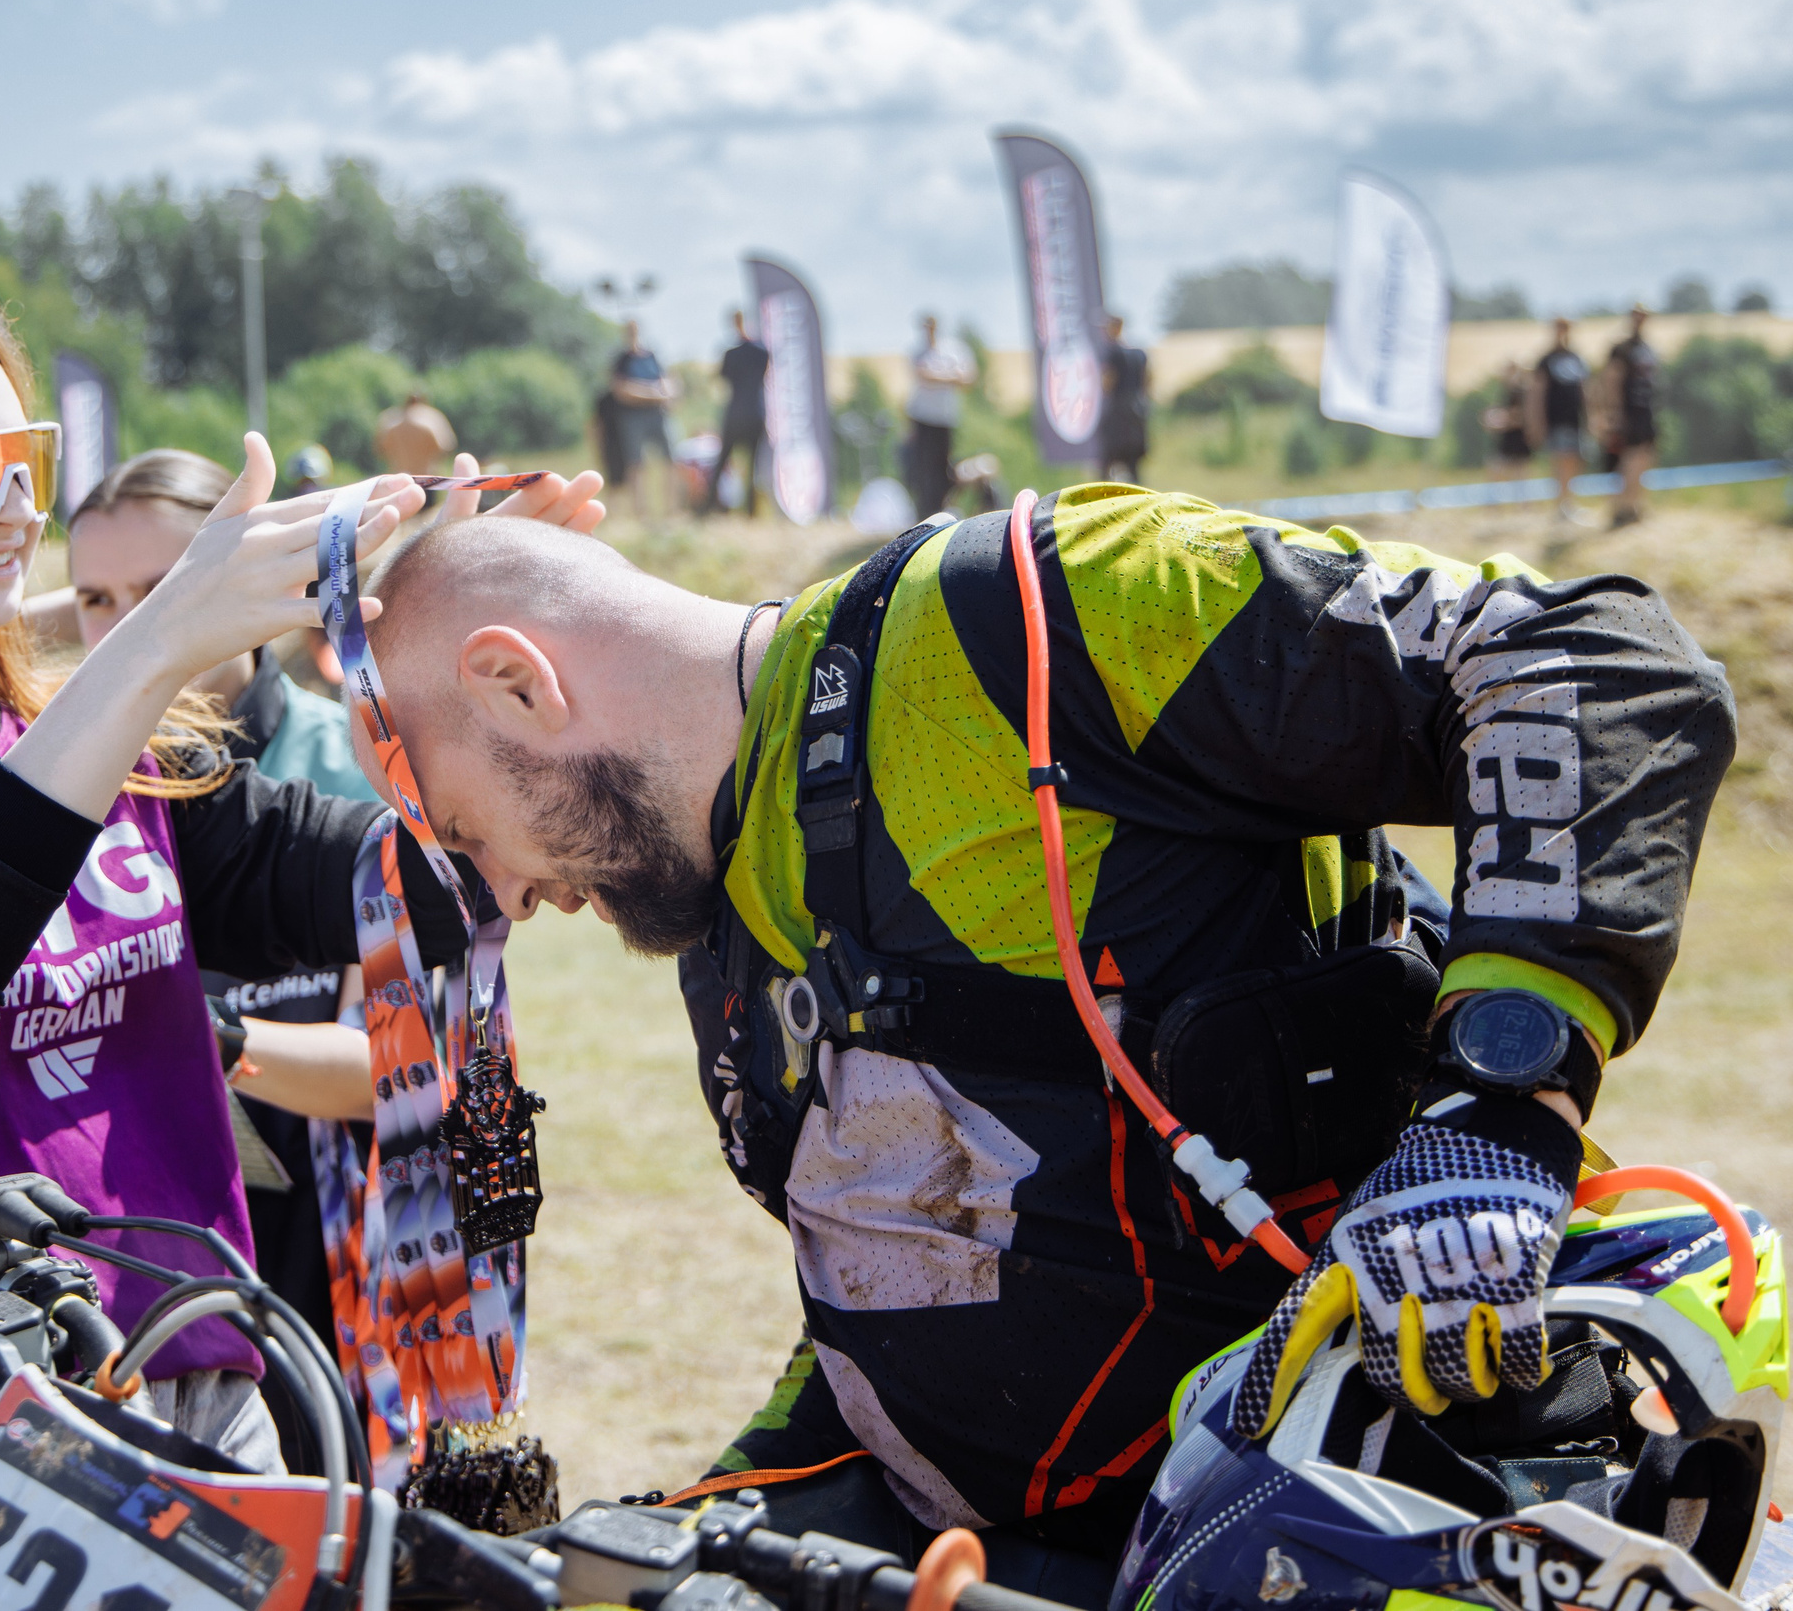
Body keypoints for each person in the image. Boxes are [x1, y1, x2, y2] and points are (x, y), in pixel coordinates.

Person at [350, 486, 1730, 1597]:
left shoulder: (1031, 615)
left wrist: (1504, 1101)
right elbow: (906, 1292)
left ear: (517, 684)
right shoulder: (723, 935)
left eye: (467, 833)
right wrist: (686, 1529)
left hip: (1408, 1509)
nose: (515, 901)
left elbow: (1583, 661)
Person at [0, 264, 601, 1604]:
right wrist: (154, 647)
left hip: (208, 1405)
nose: (14, 510)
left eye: (27, 463)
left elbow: (420, 885)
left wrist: (498, 640)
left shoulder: (124, 759)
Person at [42, 447, 392, 1400]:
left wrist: (205, 1037)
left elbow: (407, 1071)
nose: (128, 631)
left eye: (164, 591)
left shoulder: (355, 767)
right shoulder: (58, 791)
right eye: (98, 600)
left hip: (345, 1252)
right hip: (143, 1253)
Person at [903, 314, 974, 519]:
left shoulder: (953, 349)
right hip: (923, 417)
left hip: (945, 417)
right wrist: (951, 377)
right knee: (922, 466)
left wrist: (940, 377)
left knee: (943, 466)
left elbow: (968, 378)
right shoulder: (917, 350)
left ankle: (941, 507)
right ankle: (925, 511)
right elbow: (924, 375)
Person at [606, 320, 678, 518]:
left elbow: (668, 383)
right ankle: (641, 513)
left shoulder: (652, 356)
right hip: (632, 418)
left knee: (671, 460)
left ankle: (671, 510)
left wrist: (651, 392)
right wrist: (654, 393)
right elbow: (622, 391)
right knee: (636, 464)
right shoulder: (621, 360)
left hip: (658, 416)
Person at [707, 310, 771, 518]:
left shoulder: (732, 354)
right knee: (748, 465)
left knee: (725, 461)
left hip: (737, 413)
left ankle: (710, 507)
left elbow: (722, 378)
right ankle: (747, 511)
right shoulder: (761, 350)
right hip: (754, 412)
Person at [1604, 305, 1661, 528]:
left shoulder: (1648, 347)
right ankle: (1622, 507)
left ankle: (1636, 504)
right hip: (1628, 411)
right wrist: (1614, 412)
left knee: (1645, 456)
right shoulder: (1621, 348)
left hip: (1646, 409)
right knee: (1628, 458)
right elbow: (1611, 380)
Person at [1529, 317, 1591, 521]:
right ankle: (1561, 507)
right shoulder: (1545, 360)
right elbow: (1537, 394)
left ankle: (1568, 503)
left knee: (1575, 462)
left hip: (1576, 419)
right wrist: (1536, 422)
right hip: (1556, 420)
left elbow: (1584, 390)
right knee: (1561, 461)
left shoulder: (1576, 357)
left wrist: (1591, 417)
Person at [1097, 314, 1150, 484]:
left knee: (1107, 462)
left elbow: (1108, 381)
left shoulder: (1113, 352)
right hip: (1137, 411)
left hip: (1118, 412)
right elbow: (1149, 380)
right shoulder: (1139, 353)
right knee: (1134, 467)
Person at [374, 389, 457, 477]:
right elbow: (446, 447)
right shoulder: (432, 418)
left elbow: (380, 449)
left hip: (399, 474)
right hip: (426, 476)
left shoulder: (391, 420)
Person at [1482, 363, 1534, 481]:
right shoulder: (1505, 392)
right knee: (1498, 472)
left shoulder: (1519, 393)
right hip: (1507, 440)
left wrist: (1501, 420)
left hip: (1518, 440)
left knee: (1520, 476)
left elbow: (1521, 417)